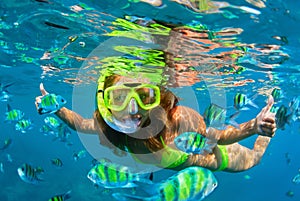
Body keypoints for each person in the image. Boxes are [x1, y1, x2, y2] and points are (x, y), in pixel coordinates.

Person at [35, 72, 276, 172]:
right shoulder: (107, 126)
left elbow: (219, 137)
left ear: (155, 98)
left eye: (143, 97)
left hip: (206, 158)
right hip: (185, 158)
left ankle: (266, 130)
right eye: (119, 98)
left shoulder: (175, 120)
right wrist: (55, 108)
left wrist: (254, 127)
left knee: (254, 160)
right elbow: (79, 123)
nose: (133, 109)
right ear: (105, 102)